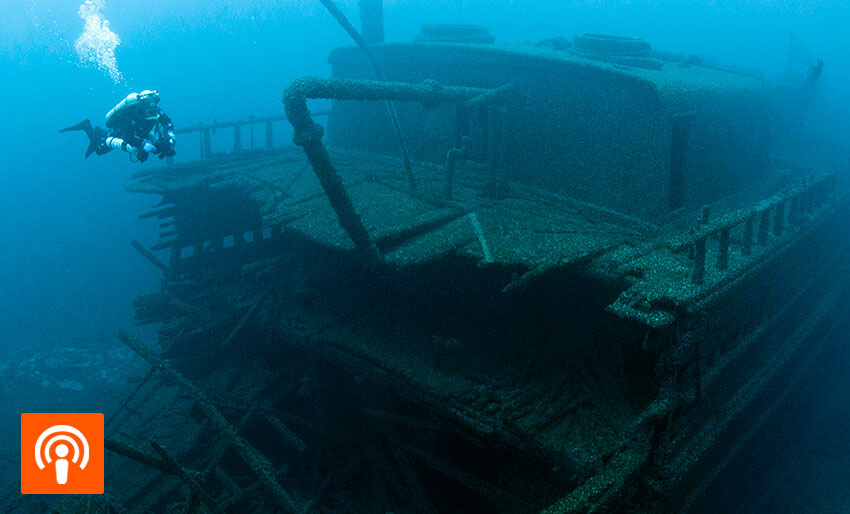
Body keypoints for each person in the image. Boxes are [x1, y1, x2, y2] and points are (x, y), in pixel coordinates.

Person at [60, 90, 176, 163]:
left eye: (153, 104)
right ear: (142, 103)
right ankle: (87, 126)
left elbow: (167, 123)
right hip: (121, 131)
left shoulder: (156, 111)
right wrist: (142, 144)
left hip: (139, 132)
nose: (151, 108)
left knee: (154, 142)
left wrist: (170, 138)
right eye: (148, 104)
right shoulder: (131, 112)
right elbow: (126, 134)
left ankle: (99, 131)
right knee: (100, 150)